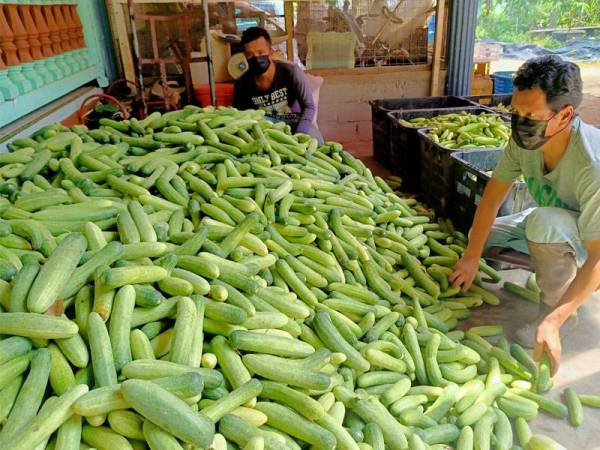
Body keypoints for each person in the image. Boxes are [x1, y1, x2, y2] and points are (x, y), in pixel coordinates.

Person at [449, 55, 600, 374]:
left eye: (530, 115)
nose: (520, 122)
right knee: (483, 236)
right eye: (516, 112)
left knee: (544, 223)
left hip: (591, 240)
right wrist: (472, 257)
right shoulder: (525, 141)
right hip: (560, 226)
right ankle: (557, 266)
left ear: (565, 116)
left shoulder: (591, 165)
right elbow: (491, 200)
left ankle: (559, 313)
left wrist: (553, 320)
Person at [233, 26, 323, 144]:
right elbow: (240, 117)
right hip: (264, 128)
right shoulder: (242, 84)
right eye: (250, 54)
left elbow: (309, 106)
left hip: (294, 123)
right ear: (245, 57)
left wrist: (299, 135)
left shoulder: (291, 72)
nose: (256, 58)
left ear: (270, 52)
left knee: (316, 140)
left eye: (260, 52)